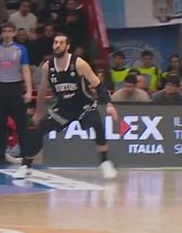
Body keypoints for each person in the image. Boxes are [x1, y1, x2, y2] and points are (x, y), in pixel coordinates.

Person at [26, 34, 119, 179]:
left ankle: (105, 162)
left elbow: (97, 84)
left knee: (97, 124)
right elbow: (42, 90)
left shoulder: (79, 63)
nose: (57, 45)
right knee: (40, 130)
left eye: (61, 43)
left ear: (67, 46)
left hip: (83, 105)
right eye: (55, 42)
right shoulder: (47, 66)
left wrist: (109, 104)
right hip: (63, 107)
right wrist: (38, 112)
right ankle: (26, 165)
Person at [0, 22, 33, 167]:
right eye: (5, 31)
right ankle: (1, 156)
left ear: (14, 33)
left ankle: (26, 155)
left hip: (15, 87)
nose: (7, 34)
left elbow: (26, 70)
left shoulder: (20, 49)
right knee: (1, 124)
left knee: (21, 124)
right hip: (0, 87)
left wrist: (29, 90)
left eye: (10, 31)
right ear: (2, 33)